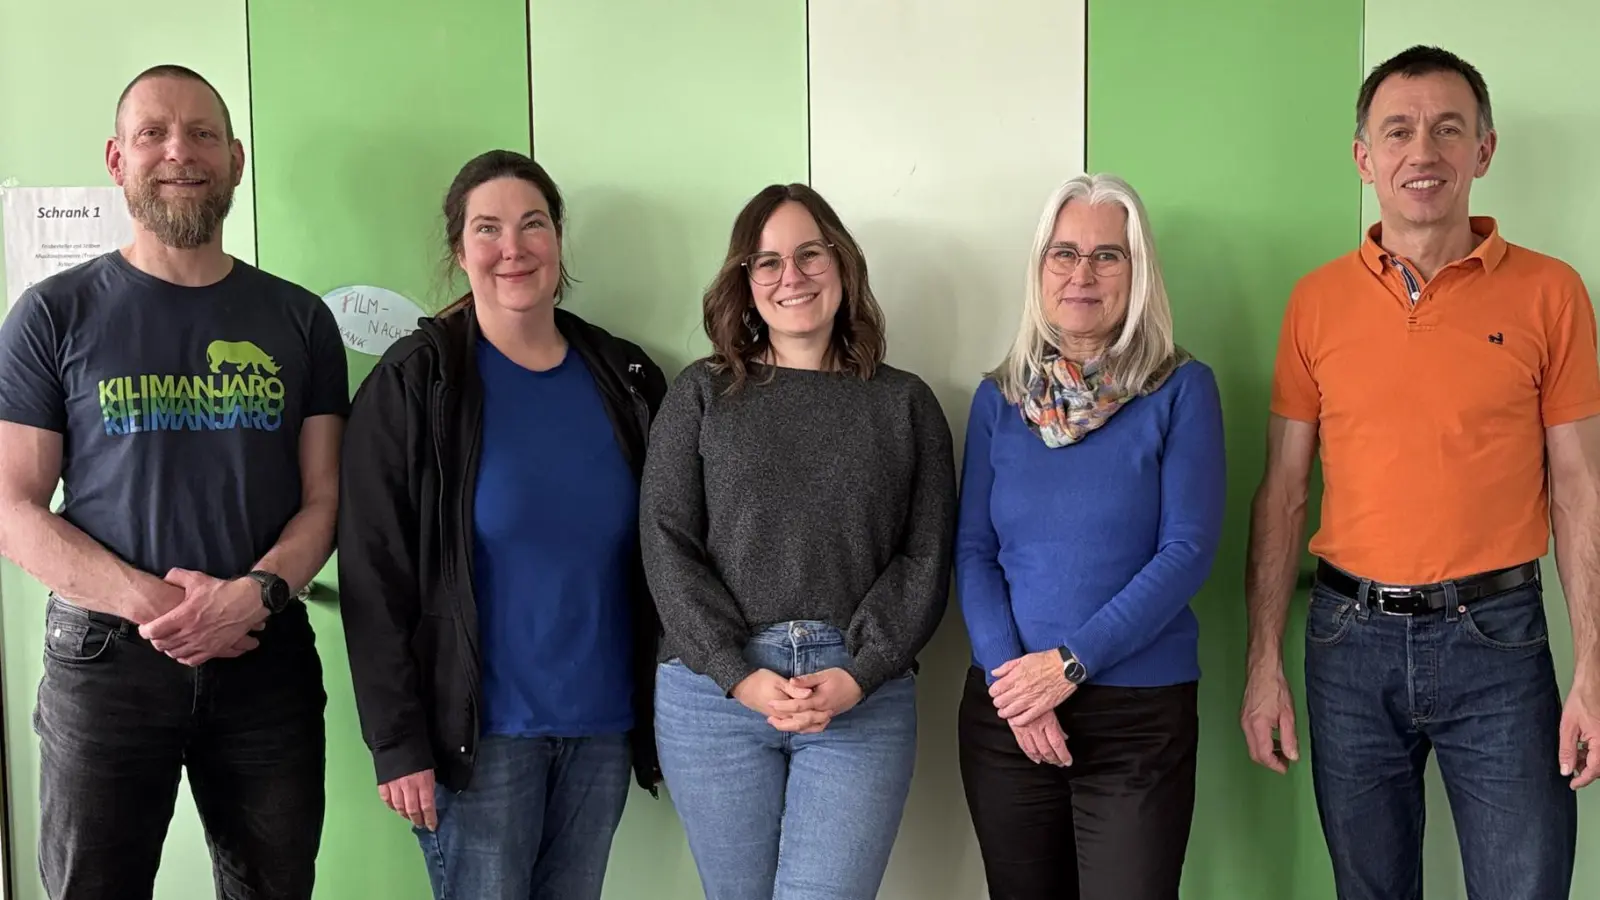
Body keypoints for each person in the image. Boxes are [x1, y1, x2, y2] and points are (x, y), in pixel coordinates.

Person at [1241, 45, 1600, 900]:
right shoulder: (1316, 301)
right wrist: (1263, 662)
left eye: (1448, 129)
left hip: (1501, 642)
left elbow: (1581, 485)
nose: (1423, 152)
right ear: (1364, 158)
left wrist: (1594, 666)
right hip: (1345, 641)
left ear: (1484, 149)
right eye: (1397, 131)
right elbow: (1284, 492)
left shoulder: (1553, 294)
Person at [0, 65, 346, 899]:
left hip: (264, 655)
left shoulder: (301, 321)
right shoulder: (51, 315)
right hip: (106, 660)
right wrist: (158, 606)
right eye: (153, 133)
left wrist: (253, 595)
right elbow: (12, 507)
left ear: (235, 159)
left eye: (200, 134)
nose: (178, 151)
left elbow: (324, 498)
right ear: (117, 159)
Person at [335, 149, 667, 900]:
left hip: (601, 728)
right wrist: (396, 743)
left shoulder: (626, 377)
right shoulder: (415, 382)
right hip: (478, 745)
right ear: (460, 252)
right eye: (487, 229)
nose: (512, 248)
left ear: (558, 240)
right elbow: (371, 571)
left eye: (532, 224)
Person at [639, 182, 956, 899]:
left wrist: (861, 671)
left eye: (810, 255)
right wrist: (737, 672)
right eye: (768, 262)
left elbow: (926, 554)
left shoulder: (904, 403)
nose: (792, 277)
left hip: (858, 694)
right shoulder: (700, 394)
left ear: (842, 266)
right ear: (745, 284)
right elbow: (666, 543)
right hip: (714, 698)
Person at [953, 173, 1225, 899]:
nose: (1083, 273)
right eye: (1064, 253)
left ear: (1138, 274)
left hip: (1139, 719)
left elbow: (1188, 551)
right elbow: (974, 551)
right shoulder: (999, 399)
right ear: (1040, 268)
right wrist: (1017, 681)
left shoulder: (1182, 390)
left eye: (1108, 255)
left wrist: (1069, 666)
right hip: (1009, 715)